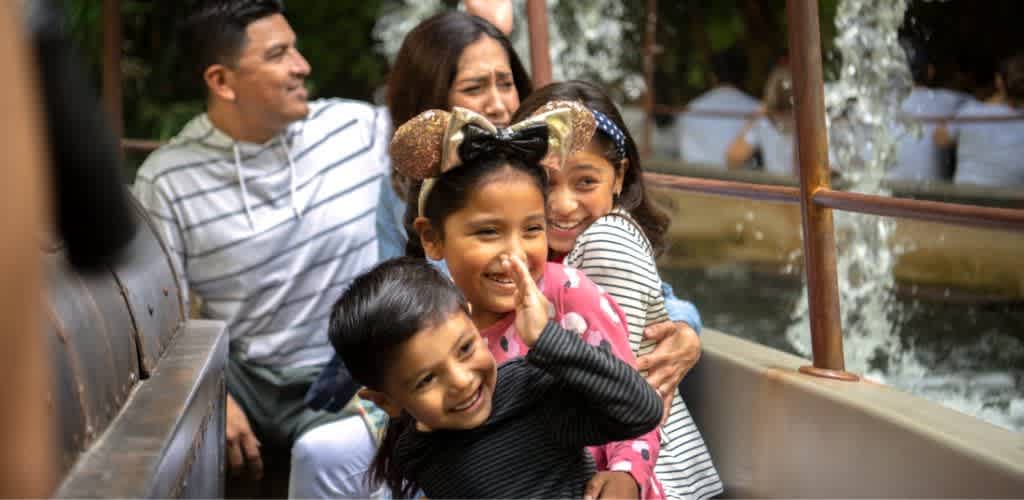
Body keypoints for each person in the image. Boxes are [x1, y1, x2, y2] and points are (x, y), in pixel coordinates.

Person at [131, 1, 390, 497]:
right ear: (222, 82)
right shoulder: (167, 179)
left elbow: (454, 121)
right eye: (279, 55)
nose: (302, 66)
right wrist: (212, 395)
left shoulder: (356, 130)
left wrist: (483, 24)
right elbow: (160, 317)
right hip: (244, 377)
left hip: (348, 369)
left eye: (295, 48)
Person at [396, 103, 666, 498]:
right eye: (488, 232)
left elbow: (633, 399)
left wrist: (628, 474)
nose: (514, 254)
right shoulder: (440, 324)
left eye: (532, 229)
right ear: (432, 237)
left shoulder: (569, 294)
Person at [515, 81, 724, 500]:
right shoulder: (544, 255)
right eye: (544, 181)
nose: (561, 204)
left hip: (644, 481)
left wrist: (627, 474)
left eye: (585, 182)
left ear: (619, 176)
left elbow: (617, 383)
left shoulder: (607, 241)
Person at [329, 256, 662, 499]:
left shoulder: (529, 394)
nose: (460, 380)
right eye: (426, 380)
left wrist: (548, 339)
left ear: (472, 323)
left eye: (464, 349)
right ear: (386, 401)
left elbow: (641, 410)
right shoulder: (415, 453)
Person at [376, 10, 532, 261]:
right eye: (473, 88)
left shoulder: (545, 164)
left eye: (505, 84)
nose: (498, 105)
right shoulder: (400, 188)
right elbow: (397, 292)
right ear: (429, 98)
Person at [888, 38, 972, 183]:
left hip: (883, 196)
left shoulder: (874, 105)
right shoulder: (952, 102)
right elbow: (987, 107)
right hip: (932, 197)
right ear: (930, 72)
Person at [935, 52, 1024, 187]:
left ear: (999, 81)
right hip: (1013, 204)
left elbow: (940, 139)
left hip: (966, 201)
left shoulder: (970, 111)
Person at [675, 46, 760, 169]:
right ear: (745, 77)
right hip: (740, 185)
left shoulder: (691, 108)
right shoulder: (756, 110)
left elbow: (682, 152)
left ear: (713, 76)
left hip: (694, 184)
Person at [726, 65, 796, 176]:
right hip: (786, 188)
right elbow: (733, 158)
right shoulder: (764, 122)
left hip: (782, 187)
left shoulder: (763, 121)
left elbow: (732, 158)